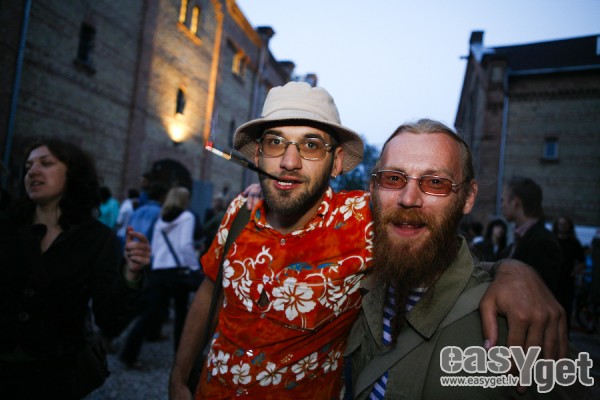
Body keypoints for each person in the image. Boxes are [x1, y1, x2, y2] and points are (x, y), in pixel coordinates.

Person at [169, 82, 567, 399]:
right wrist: (178, 377)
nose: (289, 162)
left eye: (311, 145)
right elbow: (210, 293)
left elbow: (434, 238)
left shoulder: (365, 219)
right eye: (275, 142)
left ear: (336, 163)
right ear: (257, 155)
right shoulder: (238, 213)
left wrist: (513, 270)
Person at [346, 119, 587, 399]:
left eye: (435, 182)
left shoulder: (514, 329)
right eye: (393, 179)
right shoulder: (345, 285)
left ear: (468, 198)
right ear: (373, 188)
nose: (409, 198)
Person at [0, 138, 151, 398]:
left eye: (46, 163)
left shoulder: (97, 238)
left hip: (54, 376)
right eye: (28, 167)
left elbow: (108, 317)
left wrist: (131, 274)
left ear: (73, 173)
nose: (33, 171)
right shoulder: (6, 226)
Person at [120, 187, 202, 368]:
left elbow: (155, 246)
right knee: (181, 316)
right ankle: (182, 360)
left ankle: (129, 354)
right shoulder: (187, 217)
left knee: (150, 313)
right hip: (178, 272)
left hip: (159, 270)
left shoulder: (161, 218)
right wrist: (195, 267)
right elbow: (185, 245)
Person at [501, 176, 563, 296]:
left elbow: (541, 293)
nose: (502, 205)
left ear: (516, 202)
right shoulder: (521, 237)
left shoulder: (543, 243)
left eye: (503, 200)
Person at [553, 216, 586, 333]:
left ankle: (564, 334)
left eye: (565, 224)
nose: (562, 226)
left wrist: (574, 273)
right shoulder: (551, 241)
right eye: (560, 224)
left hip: (567, 282)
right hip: (552, 281)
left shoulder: (574, 243)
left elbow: (582, 262)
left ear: (569, 226)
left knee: (565, 308)